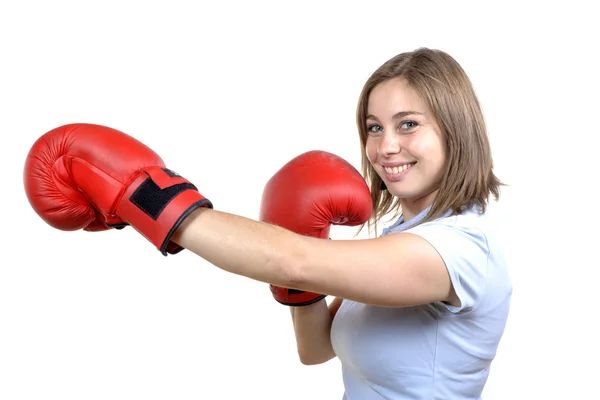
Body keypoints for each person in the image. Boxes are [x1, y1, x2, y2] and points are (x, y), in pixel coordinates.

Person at [23, 47, 512, 399]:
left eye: (408, 124)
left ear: (455, 130)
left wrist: (145, 197)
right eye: (373, 127)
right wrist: (300, 272)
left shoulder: (459, 251)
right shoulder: (398, 241)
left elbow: (291, 260)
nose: (385, 147)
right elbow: (315, 349)